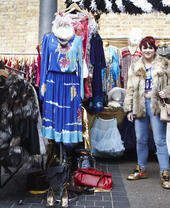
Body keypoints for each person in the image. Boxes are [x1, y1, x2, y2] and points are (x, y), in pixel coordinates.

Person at [123, 36, 170, 189]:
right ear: (141, 49)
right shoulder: (135, 66)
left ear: (155, 49)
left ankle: (165, 172)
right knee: (141, 139)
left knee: (160, 140)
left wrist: (166, 92)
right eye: (145, 47)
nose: (148, 50)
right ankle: (141, 168)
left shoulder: (164, 63)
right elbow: (130, 88)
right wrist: (129, 108)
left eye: (150, 47)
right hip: (139, 105)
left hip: (157, 105)